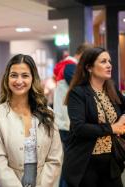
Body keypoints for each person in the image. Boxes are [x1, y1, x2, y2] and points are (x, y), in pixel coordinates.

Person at [0, 54, 63, 187]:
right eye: (14, 75)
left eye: (25, 75)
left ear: (33, 78)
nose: (19, 81)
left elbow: (55, 158)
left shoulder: (48, 113)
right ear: (7, 78)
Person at [63, 47, 125, 187]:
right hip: (86, 164)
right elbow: (80, 128)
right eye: (103, 61)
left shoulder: (111, 88)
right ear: (89, 67)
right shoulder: (77, 93)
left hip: (111, 162)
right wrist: (112, 128)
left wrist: (122, 119)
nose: (109, 65)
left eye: (109, 61)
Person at [53, 43, 92, 187]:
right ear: (82, 55)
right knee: (72, 163)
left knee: (71, 161)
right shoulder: (70, 67)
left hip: (67, 121)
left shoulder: (67, 66)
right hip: (68, 123)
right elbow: (84, 88)